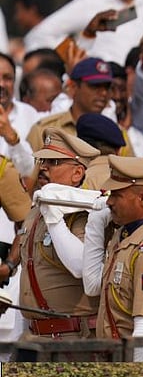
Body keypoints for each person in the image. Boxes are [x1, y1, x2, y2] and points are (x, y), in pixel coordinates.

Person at [82, 155, 143, 360]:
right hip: (117, 354)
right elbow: (95, 287)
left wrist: (135, 374)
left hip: (141, 360)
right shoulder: (126, 232)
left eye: (117, 195)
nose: (109, 201)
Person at [9, 129, 102, 344]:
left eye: (54, 162)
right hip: (35, 334)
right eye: (42, 160)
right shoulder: (37, 208)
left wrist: (55, 220)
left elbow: (81, 266)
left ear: (77, 173)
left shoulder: (83, 213)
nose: (43, 167)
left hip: (72, 337)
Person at [27, 57, 114, 155]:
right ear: (73, 87)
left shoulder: (115, 134)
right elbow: (29, 164)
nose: (103, 93)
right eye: (95, 86)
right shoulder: (44, 130)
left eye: (107, 87)